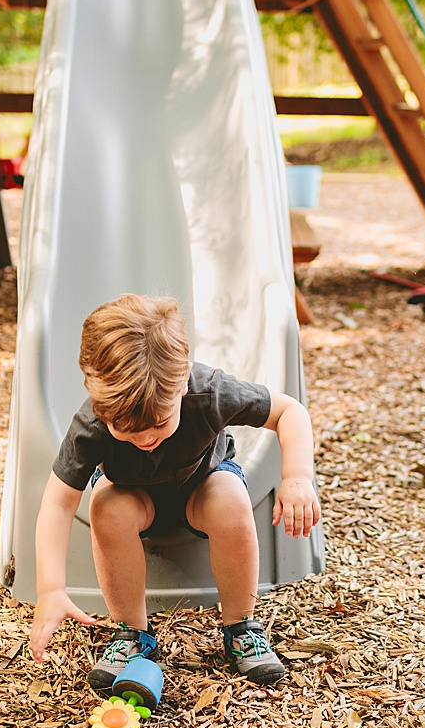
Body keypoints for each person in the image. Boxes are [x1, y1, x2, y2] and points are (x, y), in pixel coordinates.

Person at [27, 293, 322, 688]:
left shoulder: (210, 392)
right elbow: (59, 503)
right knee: (107, 507)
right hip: (134, 496)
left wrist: (297, 476)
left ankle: (241, 626)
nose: (146, 438)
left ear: (182, 379)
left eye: (160, 423)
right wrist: (50, 588)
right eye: (127, 431)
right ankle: (133, 634)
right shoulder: (94, 420)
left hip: (202, 487)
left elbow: (290, 412)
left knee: (230, 499)